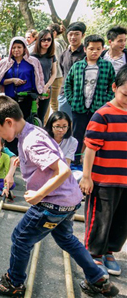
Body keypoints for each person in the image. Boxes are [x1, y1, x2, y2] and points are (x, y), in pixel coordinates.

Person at [0, 95, 119, 298]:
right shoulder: (32, 131)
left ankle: (14, 282)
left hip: (52, 203)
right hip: (69, 199)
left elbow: (62, 169)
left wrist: (39, 193)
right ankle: (97, 279)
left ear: (8, 122)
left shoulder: (30, 141)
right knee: (66, 238)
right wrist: (11, 172)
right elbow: (32, 158)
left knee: (20, 238)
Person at [80, 64, 127, 277]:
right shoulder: (103, 114)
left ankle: (109, 251)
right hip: (103, 180)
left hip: (124, 180)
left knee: (121, 221)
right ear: (115, 87)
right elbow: (90, 148)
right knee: (100, 219)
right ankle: (94, 254)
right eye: (125, 94)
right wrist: (87, 177)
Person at [64, 34, 115, 166]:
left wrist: (106, 102)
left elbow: (112, 86)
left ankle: (95, 162)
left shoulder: (107, 66)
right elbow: (68, 83)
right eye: (91, 48)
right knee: (77, 135)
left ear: (103, 49)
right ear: (85, 49)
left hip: (98, 108)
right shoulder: (77, 66)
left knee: (96, 135)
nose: (95, 51)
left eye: (98, 49)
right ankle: (75, 161)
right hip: (79, 107)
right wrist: (71, 100)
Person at [0, 36, 45, 154]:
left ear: (24, 49)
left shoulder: (32, 62)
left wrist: (37, 97)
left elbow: (37, 80)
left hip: (26, 100)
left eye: (19, 47)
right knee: (9, 125)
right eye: (14, 48)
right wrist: (12, 80)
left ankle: (24, 152)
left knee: (24, 126)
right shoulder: (4, 63)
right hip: (9, 100)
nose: (16, 50)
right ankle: (10, 153)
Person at [58, 21, 87, 118]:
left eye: (77, 34)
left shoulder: (87, 54)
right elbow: (63, 72)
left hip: (82, 95)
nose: (73, 37)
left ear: (83, 35)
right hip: (64, 94)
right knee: (63, 123)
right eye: (70, 34)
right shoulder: (64, 54)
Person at [44, 111, 83, 182]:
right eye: (57, 126)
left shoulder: (73, 141)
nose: (61, 130)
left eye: (64, 127)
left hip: (61, 171)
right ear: (51, 125)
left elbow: (67, 163)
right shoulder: (43, 138)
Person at [31, 29, 57, 123]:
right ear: (39, 40)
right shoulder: (32, 56)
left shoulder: (51, 56)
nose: (46, 42)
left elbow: (54, 73)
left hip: (46, 89)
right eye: (43, 39)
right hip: (33, 90)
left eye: (49, 39)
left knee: (41, 116)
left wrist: (46, 86)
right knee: (32, 116)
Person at [47, 23, 67, 116]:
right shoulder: (62, 42)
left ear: (54, 33)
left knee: (54, 103)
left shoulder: (55, 44)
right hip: (59, 75)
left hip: (56, 76)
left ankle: (57, 122)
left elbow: (56, 60)